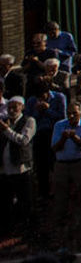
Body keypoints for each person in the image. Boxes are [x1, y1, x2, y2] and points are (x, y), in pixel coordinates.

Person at [51, 100, 81, 223]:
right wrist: (63, 139)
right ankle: (60, 219)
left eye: (74, 113)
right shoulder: (59, 125)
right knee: (60, 193)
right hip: (62, 164)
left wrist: (74, 137)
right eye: (68, 113)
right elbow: (54, 147)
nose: (71, 116)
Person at [0, 95, 36, 238]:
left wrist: (7, 130)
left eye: (15, 107)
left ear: (22, 107)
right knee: (4, 202)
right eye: (9, 107)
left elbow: (24, 140)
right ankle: (7, 229)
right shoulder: (4, 121)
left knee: (25, 200)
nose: (12, 110)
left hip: (21, 169)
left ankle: (28, 229)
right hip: (4, 170)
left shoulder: (29, 121)